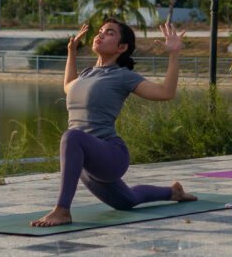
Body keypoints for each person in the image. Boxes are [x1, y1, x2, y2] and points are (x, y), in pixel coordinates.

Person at [32, 19, 196, 227]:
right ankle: (173, 192)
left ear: (122, 47)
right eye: (99, 31)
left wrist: (174, 54)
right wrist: (71, 51)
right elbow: (68, 87)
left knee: (71, 136)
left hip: (111, 154)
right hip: (85, 161)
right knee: (126, 200)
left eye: (108, 33)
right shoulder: (86, 74)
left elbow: (166, 93)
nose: (99, 35)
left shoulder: (123, 76)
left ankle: (62, 210)